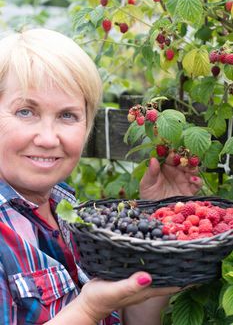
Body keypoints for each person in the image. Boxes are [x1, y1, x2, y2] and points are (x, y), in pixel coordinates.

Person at [0, 28, 202, 325]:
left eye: (67, 115)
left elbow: (132, 319)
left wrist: (163, 218)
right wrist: (88, 309)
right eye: (26, 112)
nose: (47, 137)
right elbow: (94, 309)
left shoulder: (70, 213)